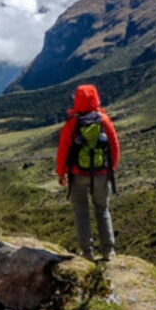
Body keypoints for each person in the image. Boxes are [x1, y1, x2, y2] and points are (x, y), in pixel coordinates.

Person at [56, 84, 120, 261]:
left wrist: (61, 173)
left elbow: (63, 150)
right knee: (102, 209)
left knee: (81, 212)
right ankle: (108, 251)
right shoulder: (104, 120)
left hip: (77, 175)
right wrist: (111, 168)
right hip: (101, 173)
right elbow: (114, 144)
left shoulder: (72, 123)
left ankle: (87, 253)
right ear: (96, 98)